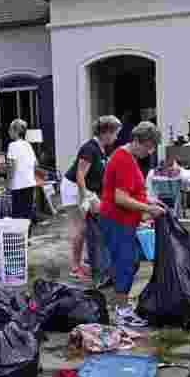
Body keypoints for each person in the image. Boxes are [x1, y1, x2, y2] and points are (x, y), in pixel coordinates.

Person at [100, 122, 165, 326]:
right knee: (125, 263)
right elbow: (120, 198)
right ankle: (122, 311)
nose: (150, 151)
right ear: (137, 141)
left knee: (132, 260)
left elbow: (131, 191)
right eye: (148, 146)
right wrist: (147, 209)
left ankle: (121, 303)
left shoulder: (128, 157)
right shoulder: (123, 160)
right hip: (117, 220)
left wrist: (149, 201)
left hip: (123, 220)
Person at [60, 115, 121, 281]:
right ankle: (74, 267)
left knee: (86, 227)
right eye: (115, 133)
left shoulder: (101, 149)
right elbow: (80, 175)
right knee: (78, 229)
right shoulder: (90, 148)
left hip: (84, 189)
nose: (116, 137)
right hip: (73, 188)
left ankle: (82, 262)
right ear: (105, 132)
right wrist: (86, 199)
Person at [6, 118, 38, 224]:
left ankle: (19, 238)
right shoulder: (28, 145)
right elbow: (35, 163)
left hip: (18, 184)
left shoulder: (12, 145)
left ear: (16, 131)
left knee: (17, 214)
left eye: (10, 130)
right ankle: (27, 237)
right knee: (27, 213)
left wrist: (9, 183)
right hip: (29, 183)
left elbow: (12, 166)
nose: (9, 132)